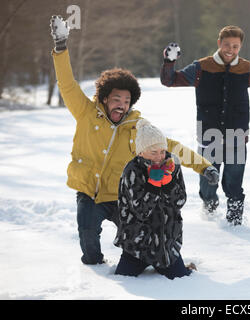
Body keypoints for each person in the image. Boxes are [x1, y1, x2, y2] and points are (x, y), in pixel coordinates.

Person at [49, 15, 219, 265]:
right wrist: (61, 47)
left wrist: (204, 166)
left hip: (121, 195)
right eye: (117, 99)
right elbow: (66, 84)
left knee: (139, 234)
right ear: (105, 98)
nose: (122, 105)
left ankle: (147, 262)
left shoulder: (137, 126)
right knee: (88, 238)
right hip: (89, 192)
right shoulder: (86, 113)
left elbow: (170, 146)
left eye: (127, 101)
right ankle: (95, 267)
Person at [160, 25, 250, 225]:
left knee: (234, 184)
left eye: (235, 46)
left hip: (238, 134)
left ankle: (236, 223)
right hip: (209, 135)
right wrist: (169, 61)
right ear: (219, 43)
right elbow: (170, 80)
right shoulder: (202, 67)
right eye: (227, 44)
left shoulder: (246, 68)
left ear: (240, 47)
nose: (230, 49)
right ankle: (209, 209)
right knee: (208, 182)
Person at [114, 119, 196, 279]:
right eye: (153, 152)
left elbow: (180, 201)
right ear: (140, 152)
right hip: (137, 243)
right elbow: (140, 211)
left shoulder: (172, 165)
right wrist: (152, 186)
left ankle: (182, 266)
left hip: (166, 244)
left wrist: (169, 184)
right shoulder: (132, 170)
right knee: (123, 277)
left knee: (180, 277)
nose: (159, 157)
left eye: (162, 151)